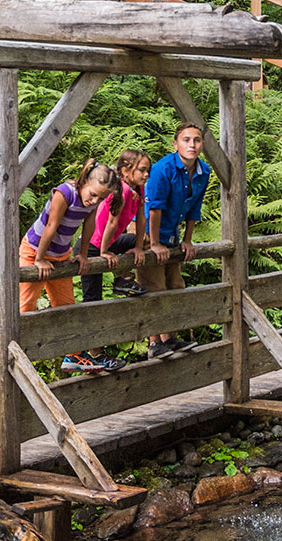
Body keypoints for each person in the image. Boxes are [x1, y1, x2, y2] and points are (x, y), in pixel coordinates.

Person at [19, 159, 121, 373]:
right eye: (92, 194)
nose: (94, 201)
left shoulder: (92, 202)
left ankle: (73, 356)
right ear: (84, 181)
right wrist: (39, 259)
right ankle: (19, 352)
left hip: (61, 255)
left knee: (66, 307)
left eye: (101, 198)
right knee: (25, 306)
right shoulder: (65, 193)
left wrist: (82, 254)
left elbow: (89, 224)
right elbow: (51, 224)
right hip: (34, 251)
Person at [73, 149, 152, 371]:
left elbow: (142, 217)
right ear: (126, 171)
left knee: (144, 241)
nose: (146, 175)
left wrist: (137, 247)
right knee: (93, 302)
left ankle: (121, 280)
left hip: (107, 243)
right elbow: (111, 223)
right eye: (142, 170)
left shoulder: (138, 189)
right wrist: (104, 252)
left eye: (148, 171)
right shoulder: (121, 191)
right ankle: (94, 355)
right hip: (91, 247)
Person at [139, 122, 210, 359]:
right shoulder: (163, 169)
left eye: (197, 140)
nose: (192, 144)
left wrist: (187, 240)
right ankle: (153, 342)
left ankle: (169, 338)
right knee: (154, 286)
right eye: (186, 139)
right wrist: (155, 243)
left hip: (173, 234)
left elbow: (194, 207)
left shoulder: (203, 171)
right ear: (176, 144)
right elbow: (154, 208)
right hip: (150, 232)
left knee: (175, 285)